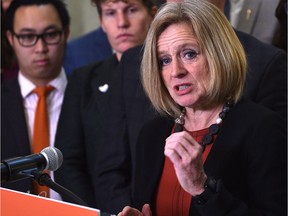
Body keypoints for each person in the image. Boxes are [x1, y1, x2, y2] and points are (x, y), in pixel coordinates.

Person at [94, 0, 287, 214]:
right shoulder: (152, 134)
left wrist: (201, 187)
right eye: (164, 60)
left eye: (189, 54)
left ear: (219, 55)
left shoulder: (262, 128)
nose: (175, 71)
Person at [54, 0, 157, 207]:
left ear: (152, 15)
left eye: (132, 10)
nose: (122, 22)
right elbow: (68, 164)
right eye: (110, 13)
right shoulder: (83, 80)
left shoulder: (172, 76)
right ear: (101, 21)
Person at [1, 0, 70, 200]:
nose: (40, 48)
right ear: (10, 38)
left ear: (65, 32)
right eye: (27, 36)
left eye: (50, 35)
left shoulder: (90, 96)